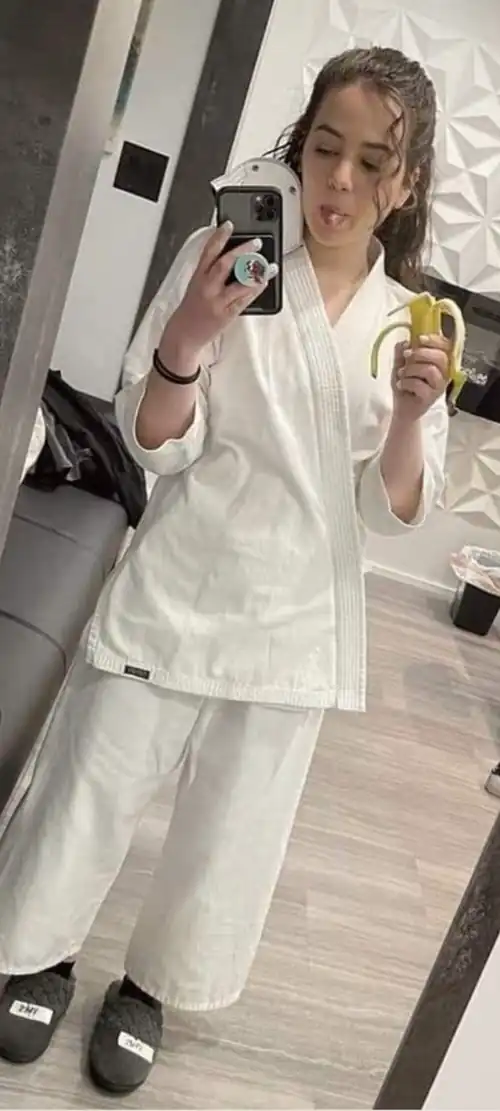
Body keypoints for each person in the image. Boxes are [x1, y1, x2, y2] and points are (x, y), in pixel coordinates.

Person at [0, 46, 450, 1094]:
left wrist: (410, 418)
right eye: (324, 149)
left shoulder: (405, 325)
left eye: (371, 163)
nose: (338, 182)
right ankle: (42, 949)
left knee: (229, 832)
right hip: (180, 576)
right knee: (90, 782)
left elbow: (387, 512)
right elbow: (154, 442)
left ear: (406, 183)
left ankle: (149, 987)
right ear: (298, 149)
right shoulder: (223, 257)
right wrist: (192, 333)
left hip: (293, 619)